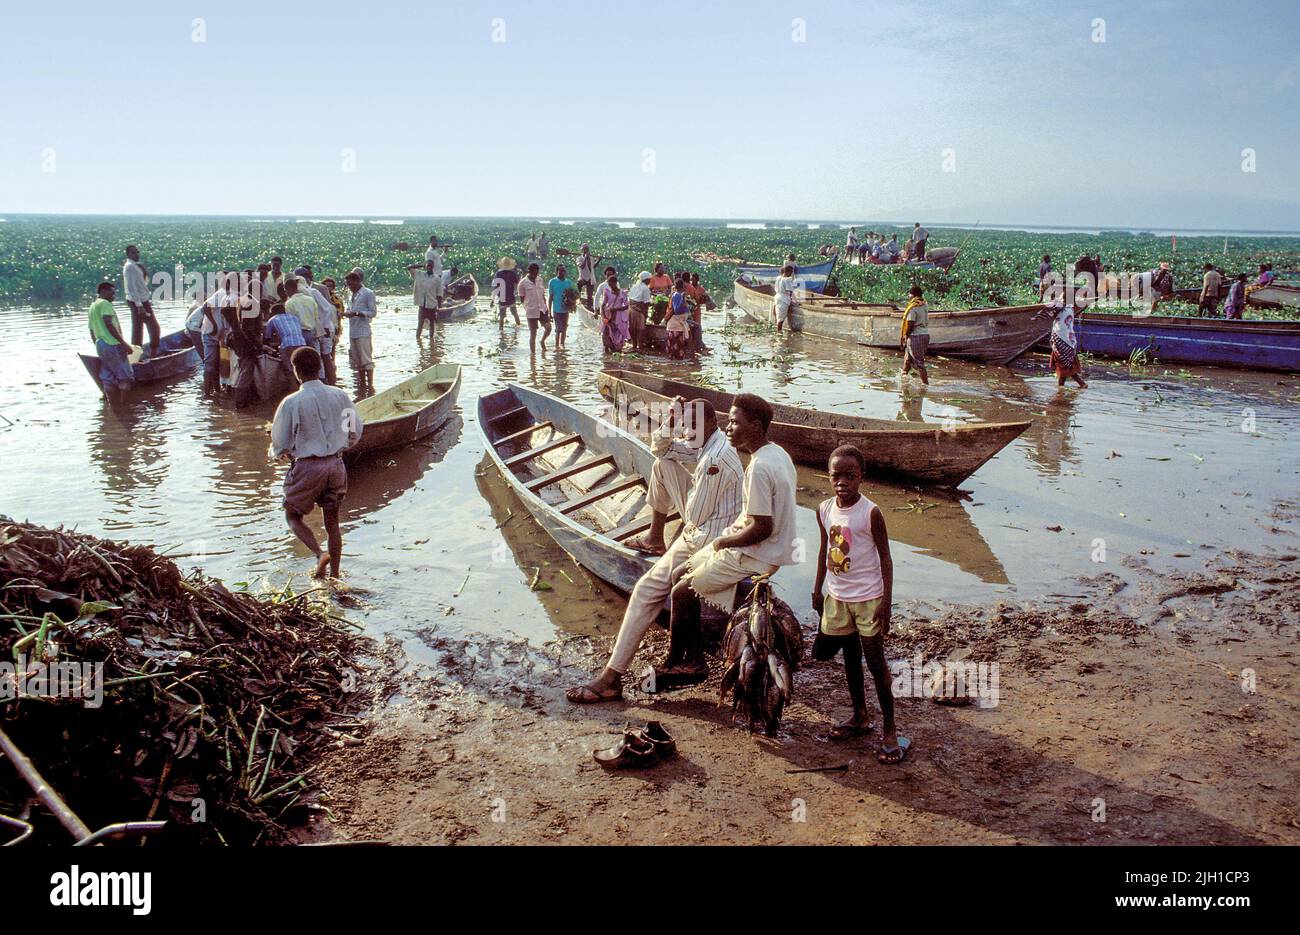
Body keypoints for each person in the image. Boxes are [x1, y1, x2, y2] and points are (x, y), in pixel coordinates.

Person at [565, 397, 744, 703]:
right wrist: (671, 421)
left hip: (708, 537)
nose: (687, 432)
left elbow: (697, 517)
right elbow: (658, 449)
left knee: (646, 589)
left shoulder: (716, 458)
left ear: (712, 425)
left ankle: (611, 678)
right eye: (685, 425)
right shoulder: (704, 441)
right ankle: (655, 537)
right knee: (662, 465)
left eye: (693, 425)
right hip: (705, 523)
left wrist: (684, 526)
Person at [652, 393, 797, 688]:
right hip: (769, 546)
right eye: (728, 421)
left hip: (759, 552)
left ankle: (692, 663)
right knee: (680, 573)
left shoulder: (758, 467)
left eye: (734, 422)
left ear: (755, 426)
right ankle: (679, 656)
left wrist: (723, 543)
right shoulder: (777, 453)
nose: (728, 428)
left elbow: (762, 528)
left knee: (682, 590)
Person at [811, 445, 908, 764]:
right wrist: (817, 589)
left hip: (868, 599)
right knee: (850, 658)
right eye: (835, 475)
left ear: (861, 477)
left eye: (849, 476)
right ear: (828, 476)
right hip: (838, 597)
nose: (842, 482)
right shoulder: (824, 509)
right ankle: (860, 716)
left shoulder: (871, 513)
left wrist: (887, 603)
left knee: (876, 663)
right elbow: (824, 550)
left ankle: (891, 731)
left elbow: (886, 559)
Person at [269, 346, 363, 579]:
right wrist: (340, 447)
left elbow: (280, 442)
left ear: (296, 371)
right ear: (320, 367)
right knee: (332, 523)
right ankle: (334, 575)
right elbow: (354, 431)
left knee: (292, 515)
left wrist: (276, 452)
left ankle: (319, 553)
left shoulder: (292, 402)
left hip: (309, 466)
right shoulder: (339, 395)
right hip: (336, 465)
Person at [88, 281, 133, 402]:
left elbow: (91, 330)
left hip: (100, 343)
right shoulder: (105, 304)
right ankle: (125, 407)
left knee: (107, 377)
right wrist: (124, 344)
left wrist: (98, 345)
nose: (114, 296)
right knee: (125, 378)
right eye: (112, 293)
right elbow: (109, 324)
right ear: (103, 291)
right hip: (112, 344)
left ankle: (112, 407)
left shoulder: (92, 306)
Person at [297, 267, 339, 384]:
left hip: (324, 328)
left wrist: (324, 326)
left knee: (325, 357)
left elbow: (328, 308)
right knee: (320, 358)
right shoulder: (304, 293)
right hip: (316, 329)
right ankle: (325, 383)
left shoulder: (314, 291)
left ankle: (331, 383)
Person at [121, 245, 160, 354]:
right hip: (138, 302)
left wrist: (143, 271)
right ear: (128, 254)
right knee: (154, 328)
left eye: (137, 252)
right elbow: (131, 288)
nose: (137, 254)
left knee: (138, 329)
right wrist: (139, 306)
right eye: (133, 253)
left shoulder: (136, 266)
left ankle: (136, 354)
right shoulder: (129, 267)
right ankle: (153, 354)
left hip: (141, 301)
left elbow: (142, 283)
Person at [343, 269, 377, 392]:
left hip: (363, 331)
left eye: (351, 284)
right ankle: (362, 385)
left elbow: (373, 312)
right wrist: (347, 313)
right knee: (357, 360)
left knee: (366, 360)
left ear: (357, 281)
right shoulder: (350, 294)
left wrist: (357, 313)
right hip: (353, 331)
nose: (349, 287)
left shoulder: (368, 293)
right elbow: (349, 308)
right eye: (348, 284)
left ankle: (371, 386)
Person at [264, 300, 309, 385]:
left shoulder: (273, 319)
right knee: (302, 369)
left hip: (287, 346)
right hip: (302, 344)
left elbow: (267, 338)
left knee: (290, 371)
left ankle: (294, 392)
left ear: (272, 313)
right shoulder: (294, 317)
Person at [1048, 299, 1087, 388]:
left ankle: (1061, 388)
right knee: (1068, 364)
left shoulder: (1059, 307)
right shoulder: (1070, 308)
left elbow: (1051, 313)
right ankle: (1079, 384)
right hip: (1070, 340)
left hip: (1061, 339)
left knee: (1062, 364)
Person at [899, 285, 929, 385]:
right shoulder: (924, 304)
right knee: (907, 358)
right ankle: (904, 377)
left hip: (916, 336)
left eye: (910, 294)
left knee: (919, 362)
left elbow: (910, 324)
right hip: (925, 334)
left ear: (913, 295)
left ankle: (925, 385)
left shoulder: (913, 307)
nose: (909, 296)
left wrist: (905, 335)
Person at [594, 267, 628, 353]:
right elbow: (599, 300)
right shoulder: (603, 287)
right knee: (606, 333)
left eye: (611, 274)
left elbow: (626, 305)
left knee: (617, 334)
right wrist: (599, 312)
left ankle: (615, 349)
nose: (610, 285)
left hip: (617, 317)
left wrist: (616, 309)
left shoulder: (622, 292)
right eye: (607, 274)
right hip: (607, 315)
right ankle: (607, 355)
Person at [518, 262, 551, 352]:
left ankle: (542, 341)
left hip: (542, 309)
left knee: (548, 328)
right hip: (531, 311)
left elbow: (542, 295)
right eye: (534, 273)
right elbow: (522, 299)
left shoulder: (540, 280)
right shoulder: (522, 283)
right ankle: (533, 356)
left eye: (537, 273)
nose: (535, 275)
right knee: (533, 334)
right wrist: (527, 307)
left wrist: (546, 307)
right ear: (529, 271)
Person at [410, 259, 441, 339]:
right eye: (428, 266)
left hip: (431, 305)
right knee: (420, 324)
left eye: (431, 266)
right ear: (425, 267)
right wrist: (421, 265)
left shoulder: (436, 279)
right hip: (422, 305)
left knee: (431, 324)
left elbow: (439, 294)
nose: (429, 268)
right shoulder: (419, 274)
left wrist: (439, 307)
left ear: (433, 267)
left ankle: (431, 340)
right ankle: (417, 339)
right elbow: (409, 267)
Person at [547, 263, 574, 348]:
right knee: (558, 329)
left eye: (564, 271)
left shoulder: (568, 282)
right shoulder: (552, 282)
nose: (562, 272)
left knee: (564, 328)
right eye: (560, 270)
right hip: (556, 310)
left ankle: (562, 345)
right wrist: (549, 312)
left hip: (565, 310)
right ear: (557, 271)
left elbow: (572, 296)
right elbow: (550, 298)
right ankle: (556, 346)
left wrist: (572, 304)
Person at [664, 278, 691, 358]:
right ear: (682, 287)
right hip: (675, 325)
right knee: (675, 349)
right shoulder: (676, 295)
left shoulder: (680, 295)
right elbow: (676, 310)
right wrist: (682, 299)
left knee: (679, 348)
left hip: (679, 324)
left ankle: (675, 367)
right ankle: (674, 366)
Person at [574, 244, 605, 310]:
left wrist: (599, 260)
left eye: (587, 249)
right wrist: (585, 258)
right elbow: (582, 266)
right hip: (583, 278)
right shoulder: (579, 258)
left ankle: (590, 307)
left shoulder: (591, 258)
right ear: (582, 250)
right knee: (578, 285)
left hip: (590, 278)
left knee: (590, 296)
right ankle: (578, 299)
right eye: (584, 249)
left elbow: (593, 267)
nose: (586, 250)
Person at [627, 271, 653, 350]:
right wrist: (654, 304)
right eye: (649, 280)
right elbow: (646, 303)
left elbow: (630, 298)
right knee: (640, 329)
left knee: (632, 328)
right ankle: (640, 346)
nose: (650, 281)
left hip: (630, 309)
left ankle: (634, 345)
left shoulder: (634, 286)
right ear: (646, 280)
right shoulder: (645, 288)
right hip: (639, 310)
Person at [491, 256, 520, 326]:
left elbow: (495, 287)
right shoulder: (513, 273)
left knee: (502, 316)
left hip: (502, 297)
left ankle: (501, 332)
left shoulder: (498, 273)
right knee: (515, 314)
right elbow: (517, 283)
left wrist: (492, 299)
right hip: (510, 296)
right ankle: (518, 327)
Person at [773, 264, 798, 332]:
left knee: (778, 315)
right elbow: (790, 292)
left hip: (777, 297)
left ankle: (778, 330)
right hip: (783, 299)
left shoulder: (778, 278)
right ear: (787, 272)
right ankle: (779, 332)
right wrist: (794, 301)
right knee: (781, 318)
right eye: (791, 272)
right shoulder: (787, 280)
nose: (791, 274)